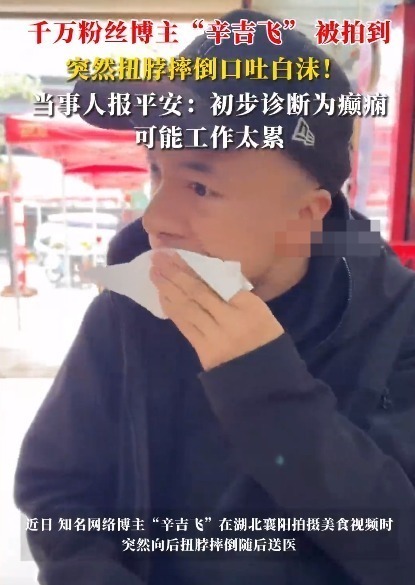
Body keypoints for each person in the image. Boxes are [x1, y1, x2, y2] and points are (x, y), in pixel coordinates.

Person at [14, 9, 415, 585]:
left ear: (305, 216)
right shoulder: (131, 309)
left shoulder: (397, 325)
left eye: (200, 186)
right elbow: (58, 493)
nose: (155, 219)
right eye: (157, 172)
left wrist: (264, 386)